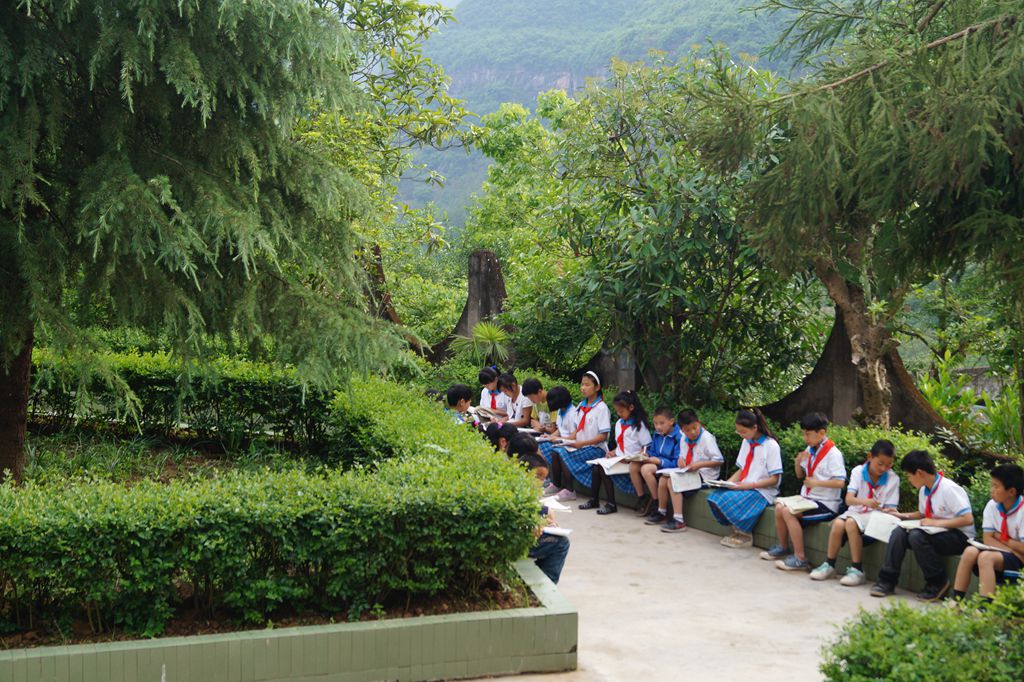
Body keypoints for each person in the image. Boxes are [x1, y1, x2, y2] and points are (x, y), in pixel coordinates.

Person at [871, 449, 975, 601]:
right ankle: (887, 580)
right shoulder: (924, 491)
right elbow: (923, 514)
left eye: (909, 475)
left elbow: (967, 519)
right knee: (899, 531)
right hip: (935, 532)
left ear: (919, 473)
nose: (908, 479)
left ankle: (937, 582)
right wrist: (901, 515)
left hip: (959, 537)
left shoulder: (949, 489)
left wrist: (936, 523)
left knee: (916, 536)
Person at [761, 412, 847, 571]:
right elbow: (801, 475)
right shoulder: (810, 448)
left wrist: (816, 482)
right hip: (808, 499)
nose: (805, 438)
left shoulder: (833, 454)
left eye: (808, 434)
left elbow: (840, 482)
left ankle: (800, 558)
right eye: (803, 434)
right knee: (780, 507)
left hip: (825, 504)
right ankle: (783, 546)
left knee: (788, 512)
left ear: (822, 433)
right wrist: (797, 462)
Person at [809, 439, 899, 585]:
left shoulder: (893, 478)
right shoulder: (858, 471)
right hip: (857, 510)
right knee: (838, 523)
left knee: (851, 522)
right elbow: (849, 500)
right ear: (870, 457)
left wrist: (881, 507)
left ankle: (857, 569)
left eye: (888, 465)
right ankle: (829, 565)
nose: (883, 468)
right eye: (880, 463)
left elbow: (891, 508)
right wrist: (865, 502)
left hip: (877, 515)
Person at [706, 409, 783, 548]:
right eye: (738, 432)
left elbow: (774, 479)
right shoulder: (746, 442)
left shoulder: (771, 446)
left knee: (729, 499)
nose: (741, 435)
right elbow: (742, 470)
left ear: (755, 427)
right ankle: (736, 531)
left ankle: (745, 534)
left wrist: (747, 486)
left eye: (743, 432)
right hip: (744, 485)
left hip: (762, 490)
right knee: (715, 497)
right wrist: (726, 483)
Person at [951, 463, 1024, 602]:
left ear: (1012, 492)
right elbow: (988, 539)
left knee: (985, 557)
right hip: (1009, 553)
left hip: (1018, 560)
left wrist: (1002, 539)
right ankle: (956, 601)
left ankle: (985, 607)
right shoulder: (992, 505)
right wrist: (1011, 546)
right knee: (969, 552)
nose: (992, 490)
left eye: (996, 486)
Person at [509, 433, 570, 584]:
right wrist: (543, 515)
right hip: (513, 537)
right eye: (538, 476)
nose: (540, 482)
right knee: (561, 543)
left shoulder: (509, 470)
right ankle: (546, 585)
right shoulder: (513, 480)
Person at [648, 409, 723, 532]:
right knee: (663, 479)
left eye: (695, 427)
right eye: (687, 430)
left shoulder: (707, 438)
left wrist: (699, 465)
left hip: (705, 476)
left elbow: (719, 460)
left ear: (699, 423)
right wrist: (681, 460)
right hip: (690, 472)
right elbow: (682, 456)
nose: (692, 432)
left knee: (672, 482)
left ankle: (679, 520)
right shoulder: (683, 438)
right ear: (681, 430)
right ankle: (662, 512)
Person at [580, 391, 652, 516]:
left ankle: (611, 504)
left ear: (631, 408)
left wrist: (634, 457)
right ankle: (594, 499)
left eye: (621, 411)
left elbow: (647, 446)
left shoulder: (639, 425)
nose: (619, 414)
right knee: (596, 467)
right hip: (620, 458)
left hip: (631, 460)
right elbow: (621, 444)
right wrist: (613, 452)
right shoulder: (619, 423)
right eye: (617, 411)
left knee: (604, 468)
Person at [551, 371, 612, 505]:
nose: (583, 388)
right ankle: (560, 486)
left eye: (587, 385)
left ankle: (569, 489)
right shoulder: (581, 406)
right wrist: (566, 440)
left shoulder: (601, 408)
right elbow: (578, 429)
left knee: (561, 453)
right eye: (582, 384)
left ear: (597, 387)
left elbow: (603, 436)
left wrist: (581, 443)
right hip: (581, 444)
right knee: (556, 449)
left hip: (595, 448)